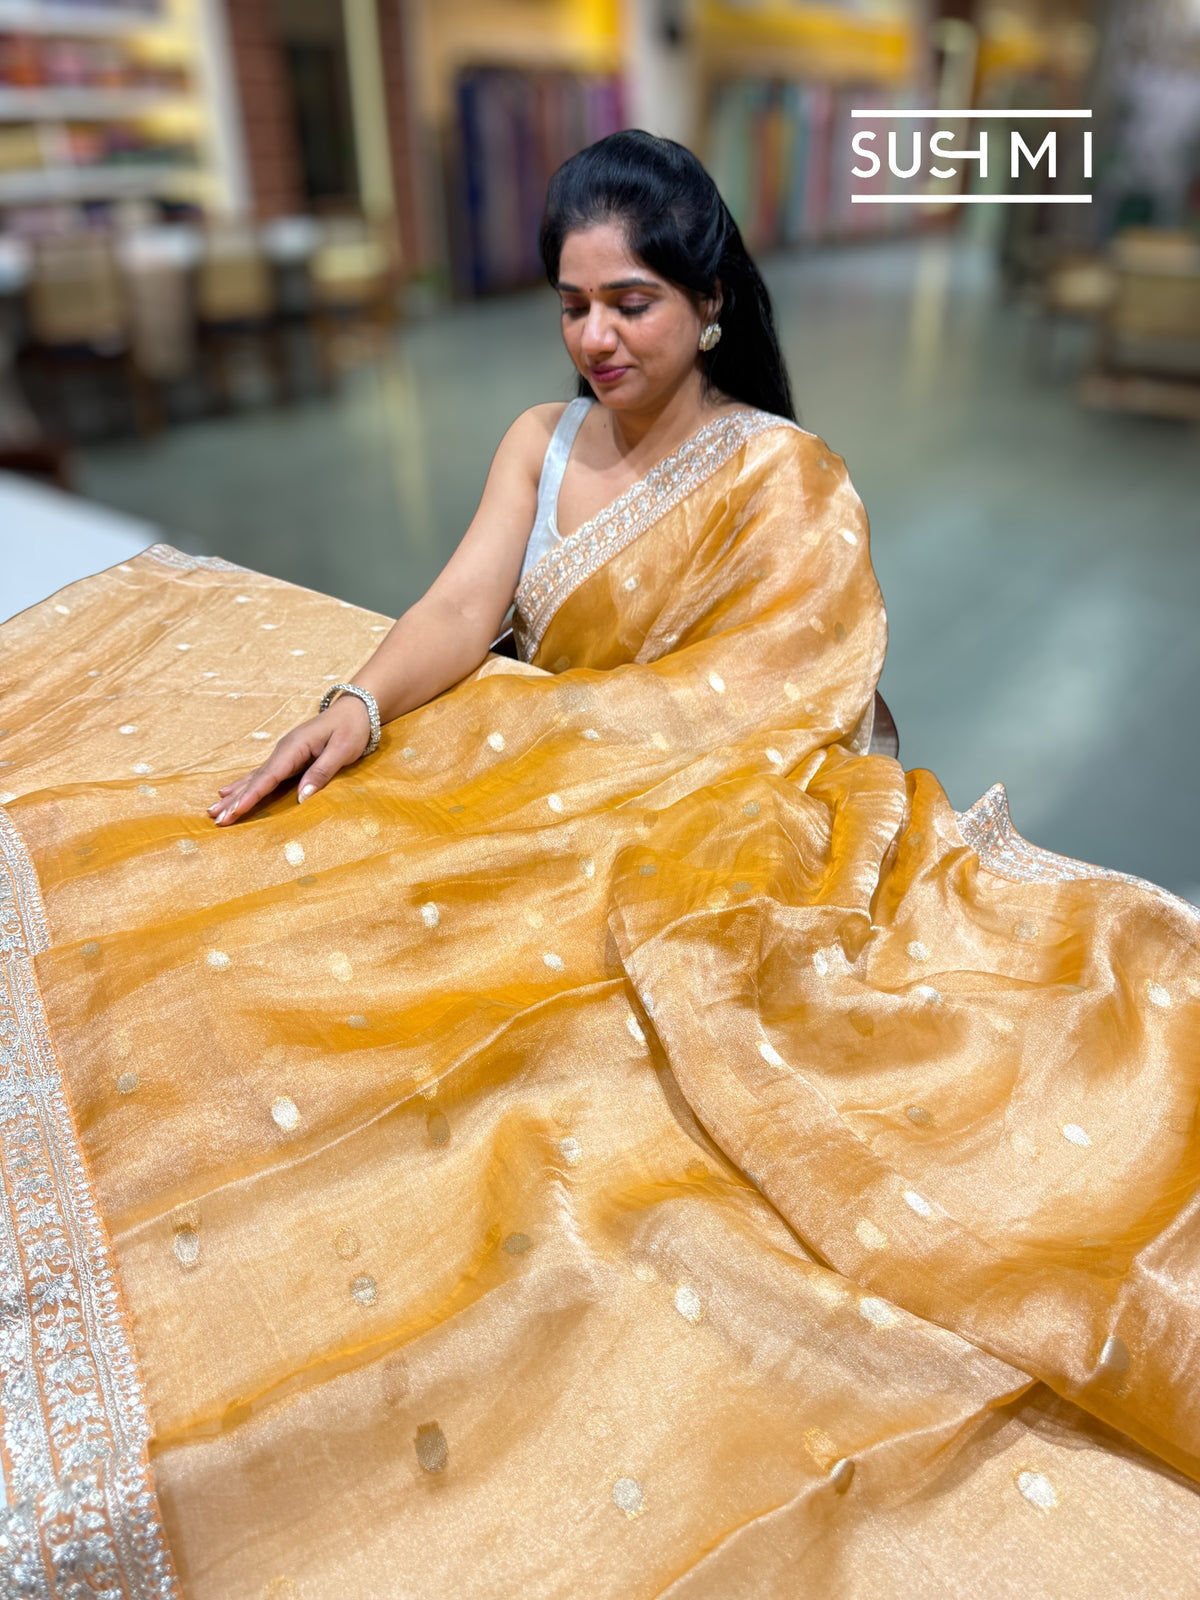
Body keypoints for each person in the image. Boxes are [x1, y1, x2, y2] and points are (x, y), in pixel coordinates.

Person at [0, 131, 1197, 1600]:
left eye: (632, 302)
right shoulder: (540, 438)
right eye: (573, 305)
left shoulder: (781, 477)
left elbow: (783, 697)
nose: (597, 339)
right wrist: (359, 704)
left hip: (683, 809)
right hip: (552, 777)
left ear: (709, 302)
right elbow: (463, 606)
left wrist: (576, 756)